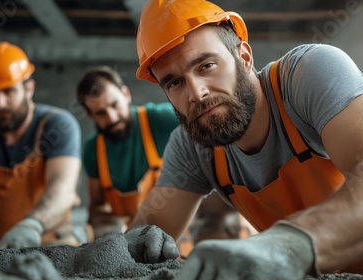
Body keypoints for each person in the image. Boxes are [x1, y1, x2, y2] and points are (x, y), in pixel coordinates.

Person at [124, 0, 363, 279]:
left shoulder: (307, 75)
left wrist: (288, 244)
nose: (197, 93)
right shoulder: (192, 145)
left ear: (243, 56)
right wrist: (143, 239)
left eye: (207, 65)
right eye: (174, 83)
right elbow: (137, 244)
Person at [76, 66, 244, 252]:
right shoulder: (93, 150)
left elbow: (221, 143)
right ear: (90, 115)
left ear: (126, 94)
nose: (112, 117)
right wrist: (110, 234)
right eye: (101, 113)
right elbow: (97, 206)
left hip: (190, 231)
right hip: (140, 238)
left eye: (115, 105)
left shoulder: (163, 119)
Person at [0, 41, 86, 253]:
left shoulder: (58, 125)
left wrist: (32, 225)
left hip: (45, 245)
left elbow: (63, 190)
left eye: (8, 92)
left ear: (29, 88)